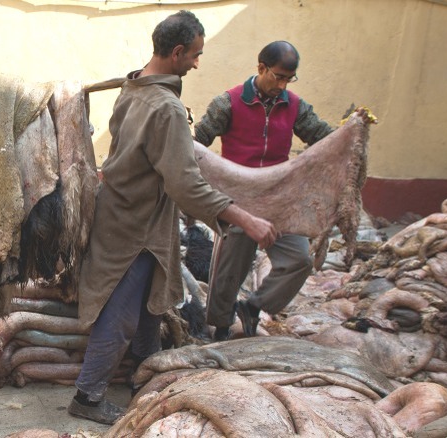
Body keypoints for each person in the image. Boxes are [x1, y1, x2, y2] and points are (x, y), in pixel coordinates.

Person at [68, 11, 277, 425]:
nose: (199, 63)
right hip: (136, 225)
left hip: (126, 211)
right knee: (123, 312)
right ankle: (87, 397)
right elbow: (185, 186)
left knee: (150, 305)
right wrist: (244, 219)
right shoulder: (165, 108)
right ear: (178, 52)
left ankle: (145, 378)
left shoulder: (134, 85)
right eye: (196, 55)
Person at [194, 41, 335, 342]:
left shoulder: (295, 106)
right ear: (261, 68)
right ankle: (219, 329)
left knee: (299, 260)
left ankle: (255, 306)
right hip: (239, 198)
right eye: (279, 76)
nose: (283, 85)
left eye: (289, 78)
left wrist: (353, 132)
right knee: (228, 271)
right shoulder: (228, 103)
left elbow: (323, 137)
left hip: (279, 197)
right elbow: (198, 139)